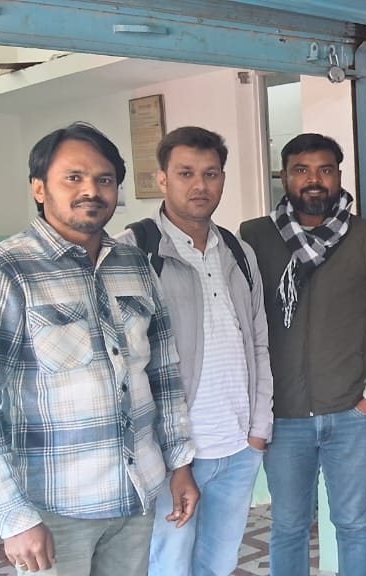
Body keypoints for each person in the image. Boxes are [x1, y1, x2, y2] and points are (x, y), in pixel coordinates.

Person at [0, 123, 197, 575]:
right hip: (54, 509)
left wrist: (180, 463)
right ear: (39, 188)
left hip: (136, 495)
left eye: (104, 179)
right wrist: (13, 516)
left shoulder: (134, 264)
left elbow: (164, 374)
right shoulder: (3, 272)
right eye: (73, 177)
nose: (91, 190)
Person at [240, 133, 366, 576]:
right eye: (301, 170)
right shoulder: (253, 237)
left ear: (338, 176)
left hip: (351, 414)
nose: (314, 180)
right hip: (283, 417)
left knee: (354, 523)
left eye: (325, 170)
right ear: (284, 177)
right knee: (288, 526)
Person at [114, 126, 274, 576]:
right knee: (169, 563)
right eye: (186, 173)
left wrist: (258, 431)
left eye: (211, 173)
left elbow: (258, 341)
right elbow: (124, 363)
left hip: (238, 446)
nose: (200, 185)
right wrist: (167, 454)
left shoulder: (238, 252)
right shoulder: (133, 251)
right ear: (162, 179)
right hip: (171, 454)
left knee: (219, 563)